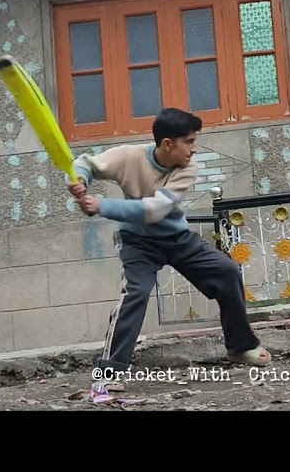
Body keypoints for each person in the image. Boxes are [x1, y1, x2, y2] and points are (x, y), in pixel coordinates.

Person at [69, 107, 270, 391]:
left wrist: (102, 206)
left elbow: (157, 209)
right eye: (189, 142)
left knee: (226, 271)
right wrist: (80, 180)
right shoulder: (128, 156)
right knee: (136, 293)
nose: (194, 149)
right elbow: (85, 162)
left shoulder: (188, 168)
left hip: (177, 239)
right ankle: (110, 371)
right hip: (137, 243)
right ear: (167, 144)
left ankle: (240, 346)